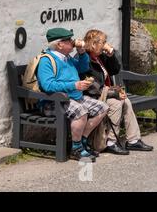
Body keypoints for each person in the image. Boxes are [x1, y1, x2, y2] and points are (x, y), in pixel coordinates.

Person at [37, 28, 109, 162]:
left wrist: (82, 53)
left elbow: (83, 68)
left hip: (73, 97)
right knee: (80, 111)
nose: (73, 41)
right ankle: (76, 149)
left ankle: (82, 141)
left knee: (102, 108)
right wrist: (73, 85)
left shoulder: (67, 58)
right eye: (69, 40)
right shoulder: (46, 60)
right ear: (60, 44)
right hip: (52, 102)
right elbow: (48, 85)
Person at [83, 29, 153, 154]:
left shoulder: (99, 57)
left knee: (126, 101)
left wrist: (110, 55)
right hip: (92, 96)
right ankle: (111, 141)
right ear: (93, 44)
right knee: (116, 103)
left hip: (104, 93)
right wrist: (115, 93)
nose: (105, 45)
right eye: (103, 42)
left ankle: (133, 140)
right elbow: (92, 87)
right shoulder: (84, 60)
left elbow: (115, 70)